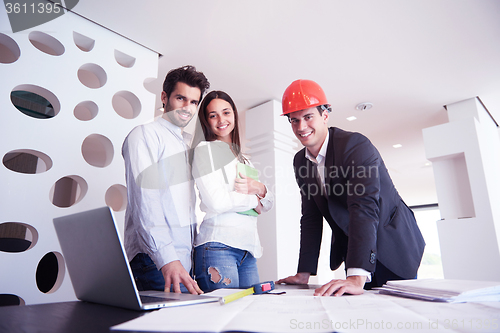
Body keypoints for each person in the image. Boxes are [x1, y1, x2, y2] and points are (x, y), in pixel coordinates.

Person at [276, 79, 425, 296]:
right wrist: (304, 273)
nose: (301, 127)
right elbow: (311, 217)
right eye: (294, 120)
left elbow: (363, 207)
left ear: (325, 115)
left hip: (393, 245)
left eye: (308, 117)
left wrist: (356, 276)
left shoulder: (355, 146)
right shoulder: (301, 161)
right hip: (356, 246)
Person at [122, 65, 210, 294]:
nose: (187, 108)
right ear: (164, 97)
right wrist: (167, 259)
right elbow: (145, 202)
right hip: (155, 260)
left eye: (193, 102)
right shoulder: (144, 135)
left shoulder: (184, 145)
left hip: (180, 262)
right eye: (181, 98)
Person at [191, 90, 274, 292]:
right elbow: (217, 202)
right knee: (223, 318)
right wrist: (254, 201)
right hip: (218, 246)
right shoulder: (205, 150)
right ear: (206, 121)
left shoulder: (243, 158)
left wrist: (261, 189)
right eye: (213, 115)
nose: (221, 120)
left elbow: (268, 204)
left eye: (226, 112)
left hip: (248, 249)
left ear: (234, 114)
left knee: (249, 315)